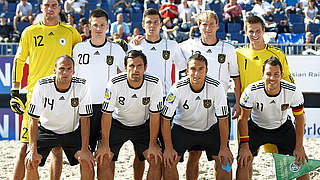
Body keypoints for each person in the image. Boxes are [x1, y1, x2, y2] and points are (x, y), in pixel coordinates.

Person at [10, 0, 82, 179]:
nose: (50, 9)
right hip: (35, 95)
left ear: (59, 8)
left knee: (57, 149)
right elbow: (19, 61)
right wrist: (14, 90)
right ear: (41, 8)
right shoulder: (30, 31)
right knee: (25, 147)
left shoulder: (70, 32)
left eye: (54, 5)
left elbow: (82, 57)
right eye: (46, 5)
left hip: (60, 96)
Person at [178, 10, 241, 180]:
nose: (208, 28)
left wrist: (237, 102)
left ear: (217, 25)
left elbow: (236, 78)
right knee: (194, 155)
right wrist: (136, 41)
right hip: (194, 106)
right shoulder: (186, 46)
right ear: (198, 26)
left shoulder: (228, 49)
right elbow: (162, 53)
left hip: (219, 107)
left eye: (211, 24)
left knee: (223, 154)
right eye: (204, 24)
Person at [128, 8, 186, 179]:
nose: (152, 25)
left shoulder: (172, 45)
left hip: (165, 103)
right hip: (141, 103)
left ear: (161, 24)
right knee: (141, 153)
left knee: (167, 152)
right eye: (148, 22)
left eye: (155, 22)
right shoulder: (135, 46)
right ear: (143, 25)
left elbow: (183, 70)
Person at [161, 54, 233, 180]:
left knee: (226, 162)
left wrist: (224, 147)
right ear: (187, 71)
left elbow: (223, 120)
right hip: (183, 129)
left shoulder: (216, 87)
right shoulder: (177, 88)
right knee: (169, 162)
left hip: (209, 129)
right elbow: (165, 119)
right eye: (193, 69)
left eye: (201, 69)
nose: (196, 73)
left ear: (206, 71)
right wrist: (168, 148)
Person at [236, 57, 309, 180]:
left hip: (282, 127)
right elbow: (242, 119)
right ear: (262, 75)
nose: (272, 78)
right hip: (256, 127)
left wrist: (299, 147)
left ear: (281, 75)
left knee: (301, 161)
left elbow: (300, 119)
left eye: (276, 74)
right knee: (243, 161)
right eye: (268, 74)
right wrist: (244, 146)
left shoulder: (292, 91)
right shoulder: (251, 91)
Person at [73, 9, 126, 176]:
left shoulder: (116, 49)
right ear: (89, 27)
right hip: (84, 109)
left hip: (107, 109)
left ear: (107, 26)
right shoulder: (79, 48)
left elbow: (125, 75)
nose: (98, 29)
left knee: (105, 158)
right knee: (86, 160)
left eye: (102, 25)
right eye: (95, 25)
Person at [95, 50, 163, 180]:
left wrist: (153, 144)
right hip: (118, 124)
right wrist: (104, 143)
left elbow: (155, 116)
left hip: (142, 125)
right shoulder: (115, 83)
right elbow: (106, 114)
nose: (135, 69)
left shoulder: (154, 83)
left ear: (145, 68)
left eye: (139, 66)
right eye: (131, 66)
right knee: (104, 158)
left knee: (155, 158)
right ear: (125, 68)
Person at [25, 55, 94, 180]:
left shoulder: (82, 86)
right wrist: (32, 150)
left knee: (87, 162)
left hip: (71, 131)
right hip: (47, 130)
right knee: (30, 162)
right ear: (54, 70)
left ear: (74, 71)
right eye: (62, 68)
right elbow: (33, 120)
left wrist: (85, 150)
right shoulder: (42, 85)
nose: (65, 72)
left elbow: (85, 119)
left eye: (69, 68)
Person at [236, 14, 295, 160]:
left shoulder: (277, 54)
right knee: (246, 159)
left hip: (273, 113)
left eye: (258, 31)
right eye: (251, 31)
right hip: (248, 114)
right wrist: (237, 102)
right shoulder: (238, 54)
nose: (254, 34)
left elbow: (288, 81)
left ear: (263, 31)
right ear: (245, 32)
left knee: (281, 159)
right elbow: (236, 82)